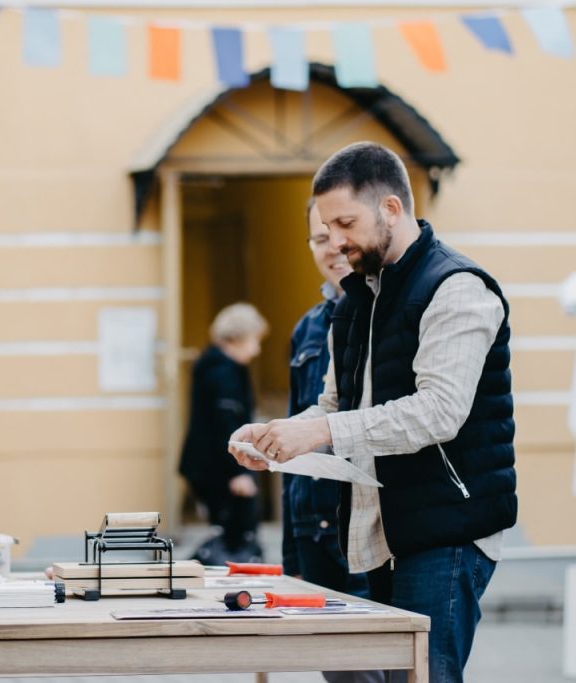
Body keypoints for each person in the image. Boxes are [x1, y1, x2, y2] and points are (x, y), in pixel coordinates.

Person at [230, 142, 517, 683]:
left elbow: (438, 412)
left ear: (390, 207)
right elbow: (334, 406)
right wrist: (274, 437)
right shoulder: (356, 299)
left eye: (346, 223)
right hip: (382, 534)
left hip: (447, 530)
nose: (336, 242)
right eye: (326, 228)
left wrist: (319, 429)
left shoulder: (457, 288)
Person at [283, 199, 383, 683]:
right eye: (320, 239)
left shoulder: (383, 315)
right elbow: (293, 440)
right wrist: (290, 557)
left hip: (364, 524)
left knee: (376, 667)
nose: (333, 248)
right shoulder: (306, 329)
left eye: (341, 234)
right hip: (313, 530)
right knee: (338, 672)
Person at [179, 302, 269, 564]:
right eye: (254, 340)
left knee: (228, 533)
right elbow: (225, 423)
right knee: (235, 535)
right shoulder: (223, 371)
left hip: (208, 465)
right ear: (238, 338)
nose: (257, 349)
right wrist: (238, 472)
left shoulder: (214, 365)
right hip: (220, 467)